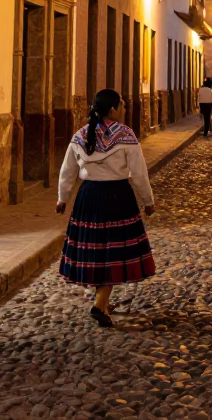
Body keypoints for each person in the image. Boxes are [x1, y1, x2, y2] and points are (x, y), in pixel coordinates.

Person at [56, 89, 156, 328]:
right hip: (117, 197)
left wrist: (63, 197)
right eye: (121, 104)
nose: (124, 108)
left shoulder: (81, 135)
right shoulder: (126, 136)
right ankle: (100, 303)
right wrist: (148, 200)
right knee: (113, 250)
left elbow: (67, 170)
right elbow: (139, 173)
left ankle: (101, 299)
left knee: (96, 248)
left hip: (88, 197)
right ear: (112, 109)